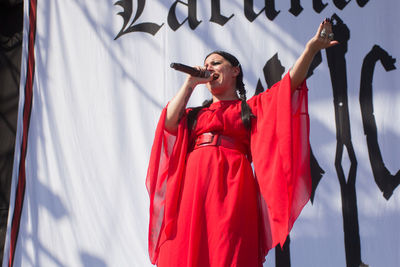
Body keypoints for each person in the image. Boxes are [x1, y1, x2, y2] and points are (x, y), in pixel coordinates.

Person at [146, 19, 338, 267]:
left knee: (228, 248)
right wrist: (190, 83)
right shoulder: (194, 113)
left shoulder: (250, 107)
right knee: (186, 248)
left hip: (233, 186)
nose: (209, 68)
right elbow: (169, 123)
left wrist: (310, 50)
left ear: (235, 70)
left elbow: (288, 84)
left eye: (215, 63)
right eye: (206, 65)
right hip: (193, 188)